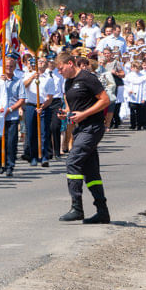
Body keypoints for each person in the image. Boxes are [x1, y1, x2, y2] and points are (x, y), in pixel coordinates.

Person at [56, 51, 111, 224]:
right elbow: (72, 107)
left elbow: (105, 100)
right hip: (80, 128)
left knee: (72, 162)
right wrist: (65, 114)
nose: (60, 72)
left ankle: (77, 207)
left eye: (61, 68)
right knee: (91, 171)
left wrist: (84, 114)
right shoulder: (68, 83)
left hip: (93, 127)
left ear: (70, 64)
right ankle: (102, 211)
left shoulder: (88, 78)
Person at [22, 58, 55, 167]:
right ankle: (33, 156)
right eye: (39, 61)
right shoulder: (28, 75)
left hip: (43, 106)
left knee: (44, 132)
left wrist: (42, 106)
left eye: (44, 62)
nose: (41, 63)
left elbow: (50, 97)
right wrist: (32, 77)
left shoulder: (49, 79)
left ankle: (44, 156)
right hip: (30, 105)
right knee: (31, 132)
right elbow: (24, 86)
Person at [0, 57, 25, 177]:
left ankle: (10, 165)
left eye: (11, 66)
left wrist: (10, 109)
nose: (8, 68)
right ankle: (1, 164)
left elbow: (22, 99)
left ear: (15, 67)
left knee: (11, 143)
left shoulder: (18, 81)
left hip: (12, 116)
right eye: (7, 66)